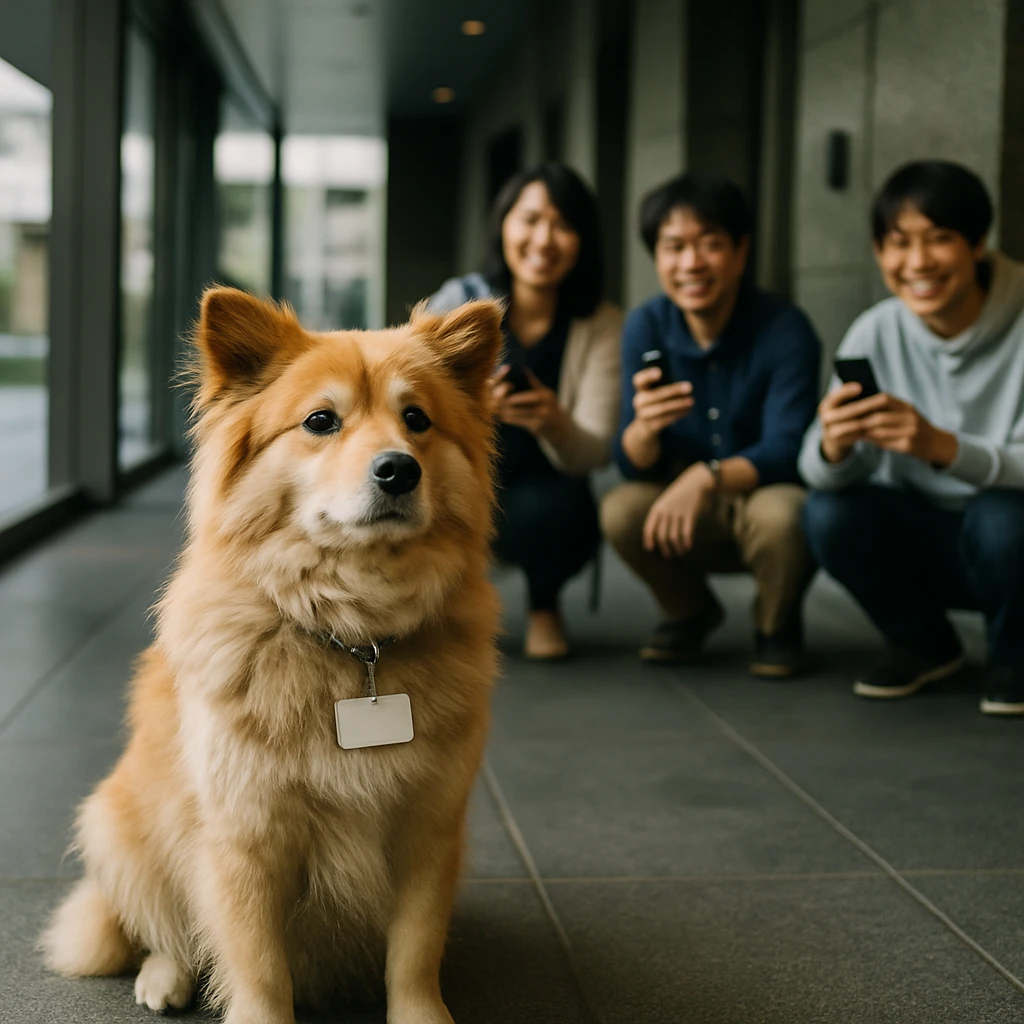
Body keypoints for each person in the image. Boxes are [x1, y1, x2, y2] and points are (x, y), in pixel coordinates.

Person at [800, 160, 1024, 716]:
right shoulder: (876, 330)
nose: (918, 262)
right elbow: (813, 469)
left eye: (939, 238)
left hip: (1010, 539)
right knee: (827, 513)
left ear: (978, 243)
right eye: (898, 243)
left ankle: (1015, 658)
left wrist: (943, 448)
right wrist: (836, 447)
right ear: (879, 253)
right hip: (927, 533)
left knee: (1002, 517)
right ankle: (923, 644)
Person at [601, 172, 821, 677]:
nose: (691, 263)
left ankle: (776, 624)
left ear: (741, 252)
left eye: (710, 244)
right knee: (621, 511)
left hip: (761, 492)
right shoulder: (646, 324)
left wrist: (705, 476)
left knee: (785, 516)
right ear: (657, 257)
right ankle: (690, 613)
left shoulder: (785, 328)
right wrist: (643, 431)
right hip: (685, 503)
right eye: (674, 247)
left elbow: (789, 447)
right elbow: (631, 465)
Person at [430, 162, 622, 660]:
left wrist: (555, 423)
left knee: (556, 505)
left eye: (563, 225)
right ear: (503, 225)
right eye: (531, 220)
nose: (544, 239)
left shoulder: (601, 324)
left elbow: (595, 452)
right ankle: (431, 608)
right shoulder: (460, 301)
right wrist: (478, 410)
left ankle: (545, 607)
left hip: (548, 488)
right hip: (465, 475)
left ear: (583, 240)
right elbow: (413, 405)